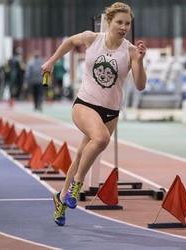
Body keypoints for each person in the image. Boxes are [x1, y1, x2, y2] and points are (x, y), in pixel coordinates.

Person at [42, 2, 147, 226]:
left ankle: (60, 199)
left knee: (82, 154)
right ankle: (77, 184)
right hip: (85, 104)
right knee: (101, 139)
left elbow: (139, 85)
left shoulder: (129, 51)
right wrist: (51, 61)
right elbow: (70, 41)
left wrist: (140, 61)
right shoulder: (92, 38)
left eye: (127, 24)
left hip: (110, 112)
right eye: (119, 22)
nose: (123, 27)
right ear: (108, 22)